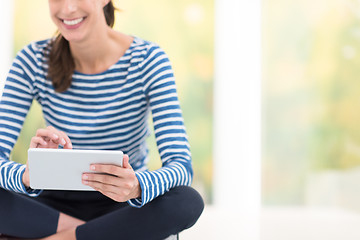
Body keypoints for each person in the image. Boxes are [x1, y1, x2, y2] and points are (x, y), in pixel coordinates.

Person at [0, 0, 204, 239]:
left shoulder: (147, 60)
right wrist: (28, 175)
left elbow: (181, 165)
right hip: (54, 206)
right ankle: (94, 234)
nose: (67, 9)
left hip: (123, 205)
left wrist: (137, 186)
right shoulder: (32, 60)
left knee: (186, 201)